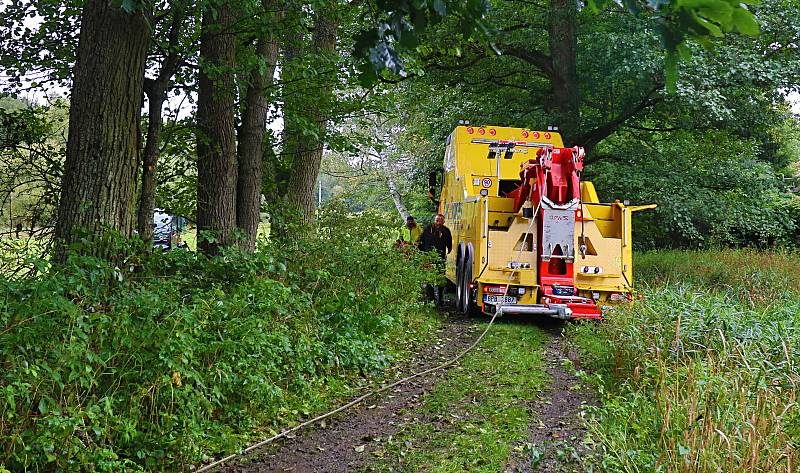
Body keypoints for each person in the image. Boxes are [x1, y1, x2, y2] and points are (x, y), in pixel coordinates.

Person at [419, 213, 452, 306]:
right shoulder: (428, 229)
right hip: (428, 257)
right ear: (435, 220)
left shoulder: (445, 230)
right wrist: (422, 254)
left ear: (443, 222)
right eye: (437, 220)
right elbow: (421, 241)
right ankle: (431, 299)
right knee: (429, 278)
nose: (438, 222)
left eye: (440, 221)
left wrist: (448, 249)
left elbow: (449, 243)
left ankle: (440, 299)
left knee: (440, 279)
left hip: (440, 258)